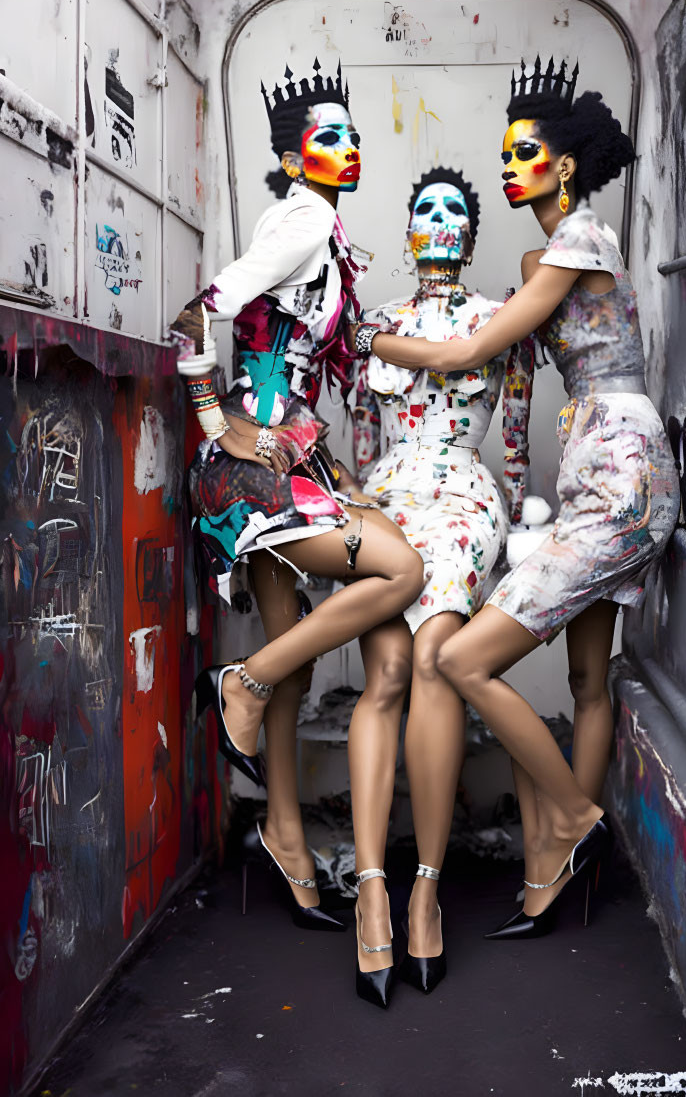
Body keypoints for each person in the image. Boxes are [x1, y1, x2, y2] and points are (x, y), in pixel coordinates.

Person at [352, 58, 680, 938]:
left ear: (564, 164)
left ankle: (573, 821)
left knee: (460, 660)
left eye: (523, 151)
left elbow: (467, 355)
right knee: (586, 678)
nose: (506, 165)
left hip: (619, 473)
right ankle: (553, 873)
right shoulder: (553, 251)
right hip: (596, 470)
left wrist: (378, 336)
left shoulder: (577, 238)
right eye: (503, 152)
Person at [169, 59, 423, 932]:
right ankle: (238, 683)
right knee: (399, 570)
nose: (347, 148)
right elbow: (200, 310)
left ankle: (282, 830)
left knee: (302, 651)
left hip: (286, 460)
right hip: (251, 465)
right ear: (291, 153)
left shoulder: (318, 227)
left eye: (352, 136)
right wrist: (214, 424)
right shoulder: (306, 214)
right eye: (327, 136)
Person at [343, 168, 533, 1004]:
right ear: (410, 224)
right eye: (425, 206)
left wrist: (526, 522)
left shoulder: (500, 321)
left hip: (462, 494)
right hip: (385, 495)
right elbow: (354, 436)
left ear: (471, 228)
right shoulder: (372, 321)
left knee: (431, 658)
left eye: (456, 207)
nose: (440, 218)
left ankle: (426, 885)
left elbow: (517, 435)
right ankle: (373, 886)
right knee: (383, 671)